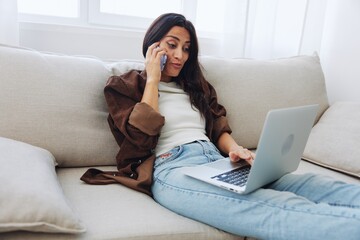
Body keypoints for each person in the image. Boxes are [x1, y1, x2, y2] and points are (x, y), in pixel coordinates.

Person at [81, 13, 360, 239]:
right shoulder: (124, 86)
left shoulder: (196, 87)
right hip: (173, 169)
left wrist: (237, 151)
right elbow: (141, 136)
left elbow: (217, 128)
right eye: (172, 44)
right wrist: (153, 79)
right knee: (272, 210)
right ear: (153, 45)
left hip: (217, 162)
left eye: (187, 48)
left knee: (312, 184)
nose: (180, 55)